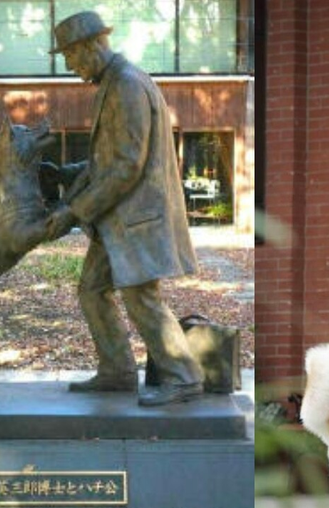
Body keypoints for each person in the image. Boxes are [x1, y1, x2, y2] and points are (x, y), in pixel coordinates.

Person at [43, 11, 205, 407]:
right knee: (93, 290)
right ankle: (117, 371)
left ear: (93, 46)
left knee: (141, 297)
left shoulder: (127, 85)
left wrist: (73, 211)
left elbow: (127, 166)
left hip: (135, 219)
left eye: (71, 56)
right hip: (118, 220)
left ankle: (184, 376)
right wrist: (69, 173)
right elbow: (108, 159)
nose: (69, 65)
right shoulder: (114, 82)